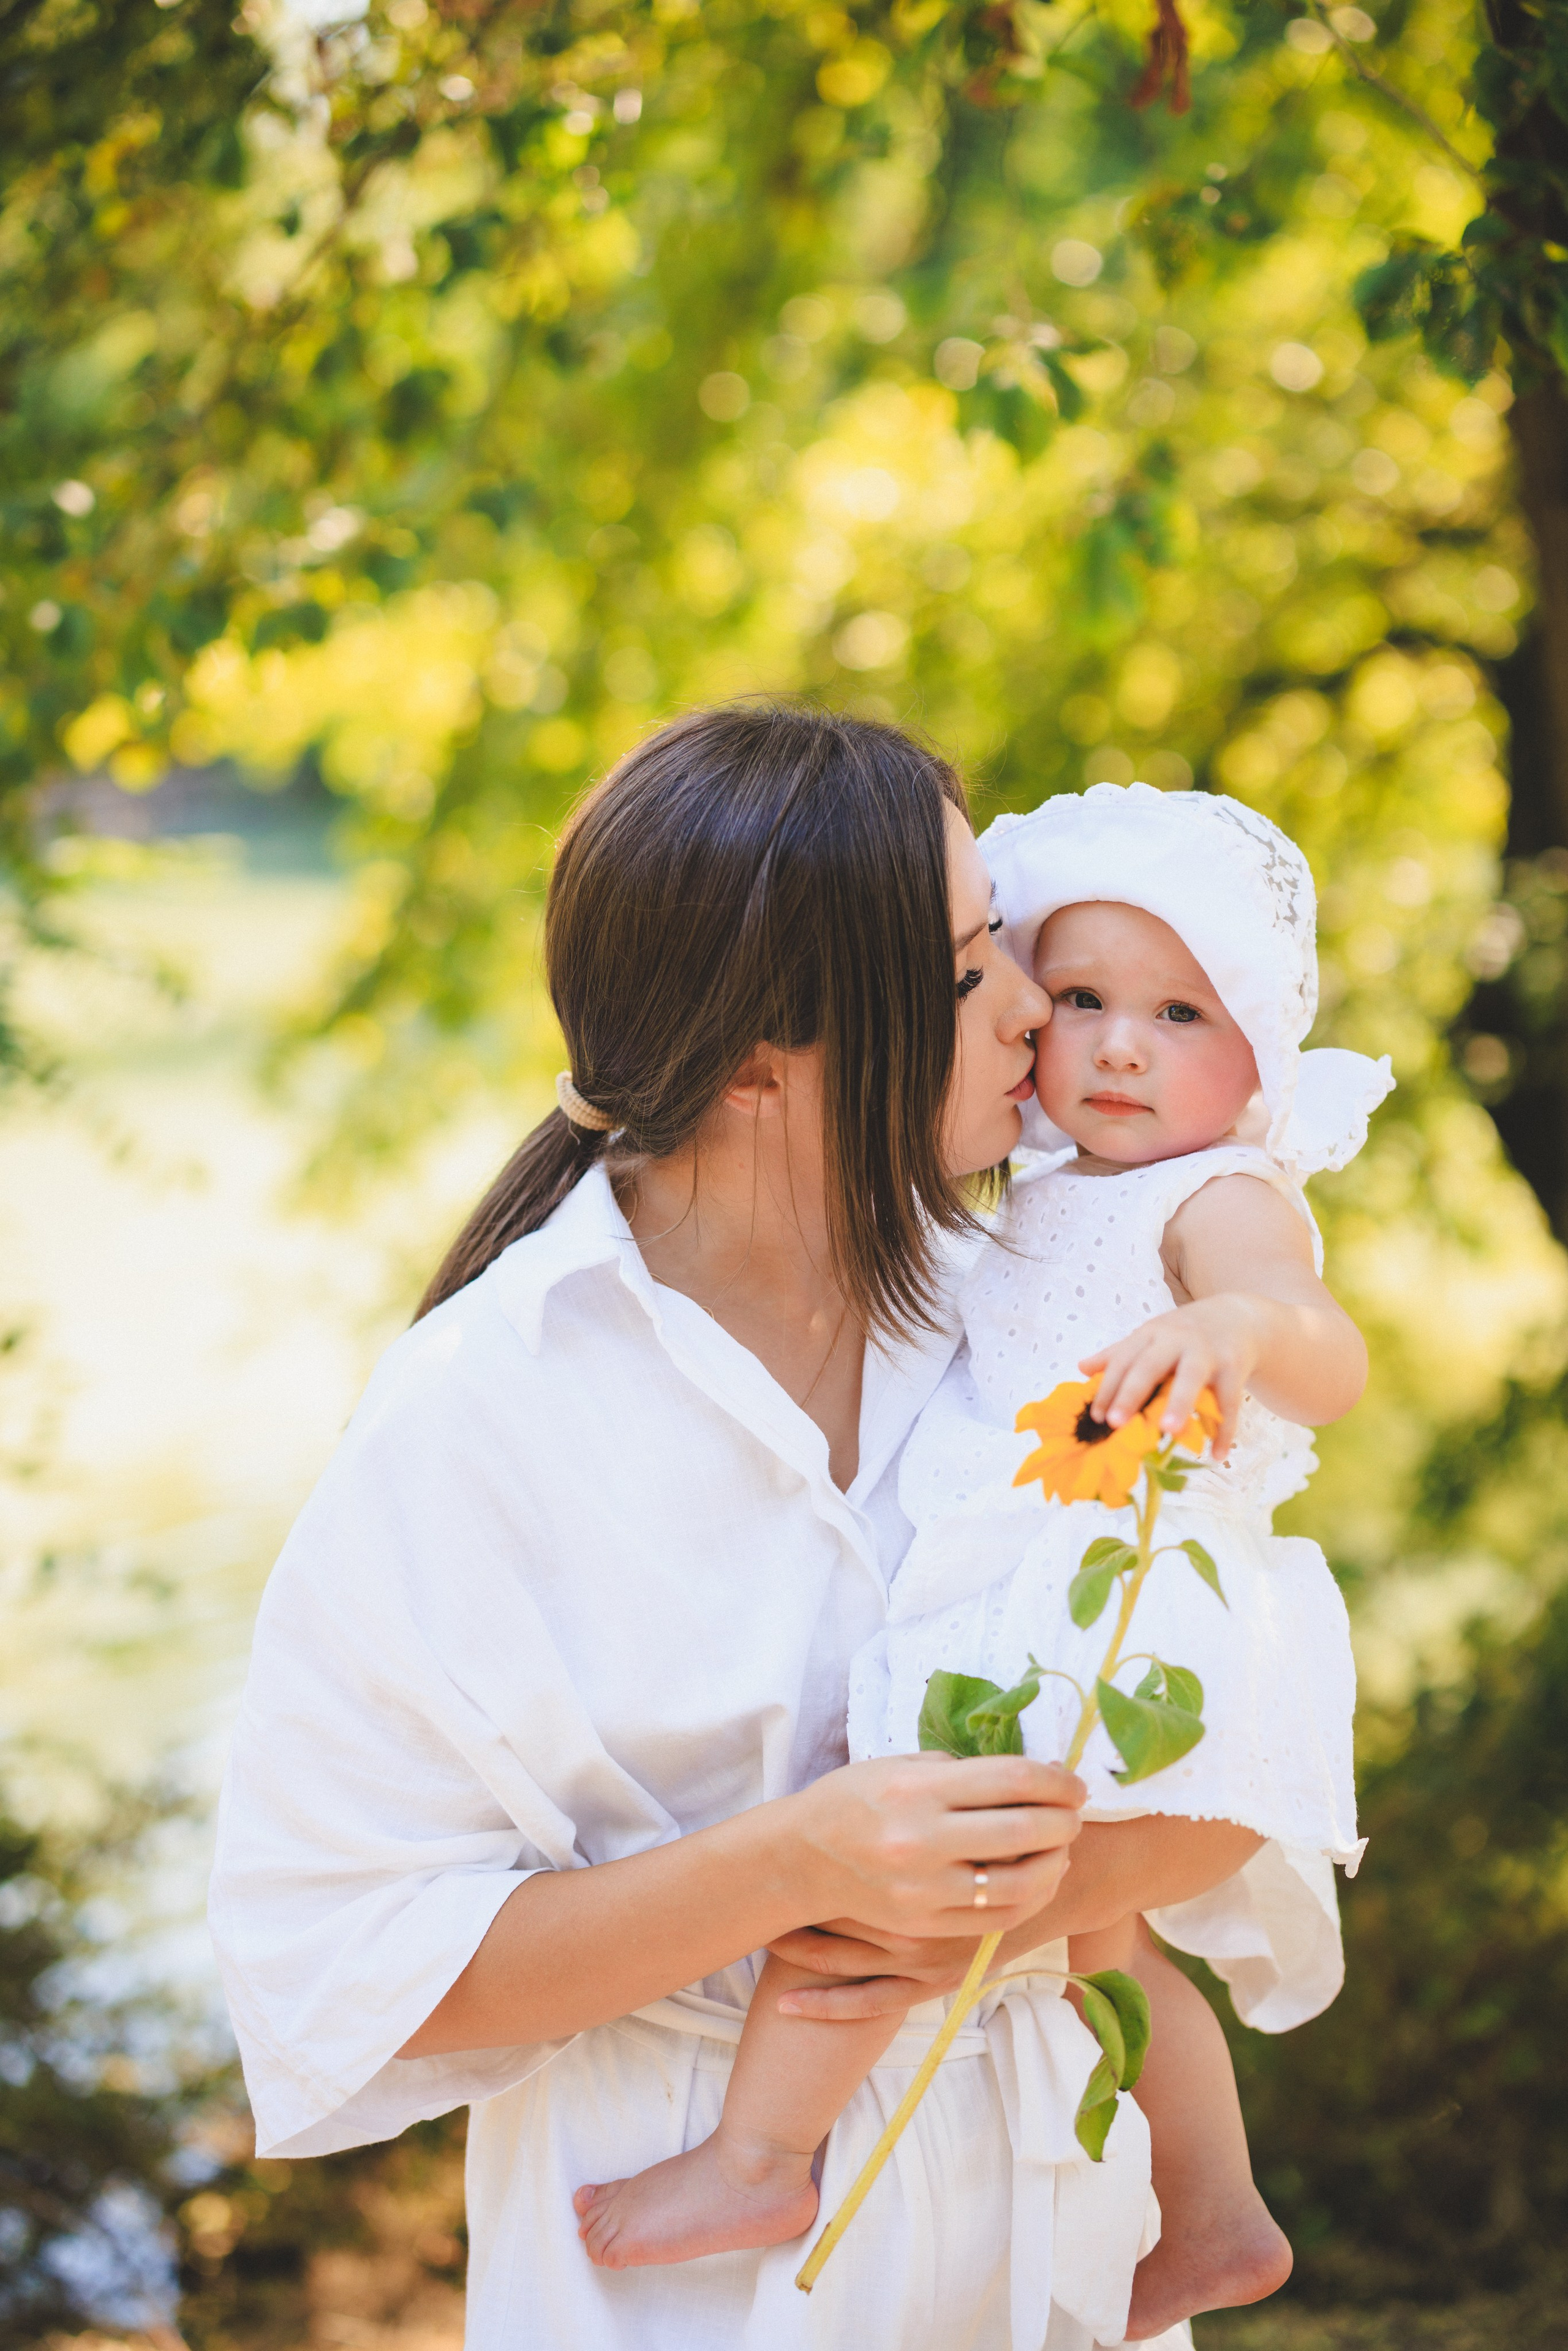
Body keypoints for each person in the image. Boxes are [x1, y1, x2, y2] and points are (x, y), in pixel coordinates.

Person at [210, 711, 1266, 2351]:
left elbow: (1238, 1773)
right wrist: (793, 1866)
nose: (1030, 1005)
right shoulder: (482, 1408)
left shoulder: (1049, 1318)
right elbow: (339, 1965)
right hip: (676, 2257)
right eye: (972, 957)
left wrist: (978, 1890)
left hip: (1049, 2200)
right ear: (767, 1049)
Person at [576, 780, 1392, 2343]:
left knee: (894, 1899)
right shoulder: (1036, 1191)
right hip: (1030, 1568)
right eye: (1078, 999)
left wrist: (1234, 1328)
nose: (1119, 1045)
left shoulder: (1215, 1198)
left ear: (1260, 1056)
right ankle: (1214, 2211)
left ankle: (760, 2155)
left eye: (1175, 1009)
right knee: (1105, 1936)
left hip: (1107, 1595)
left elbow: (1323, 1344)